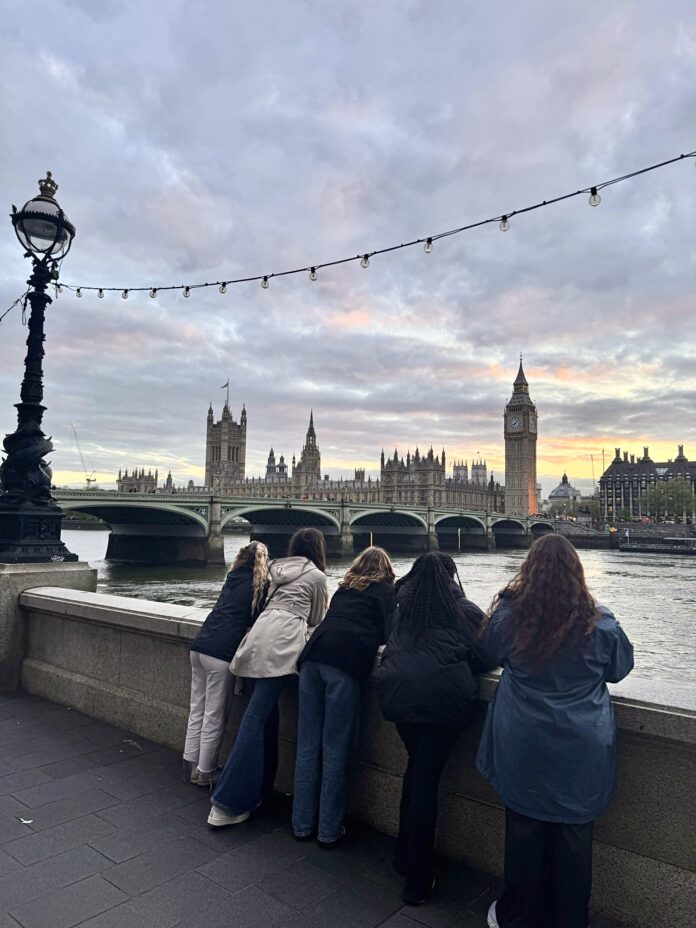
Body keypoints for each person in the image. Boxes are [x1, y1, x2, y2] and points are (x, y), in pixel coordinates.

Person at [474, 533, 634, 928]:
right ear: (576, 573)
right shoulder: (602, 622)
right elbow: (619, 669)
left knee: (523, 834)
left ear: (529, 570)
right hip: (581, 747)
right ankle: (570, 918)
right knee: (575, 841)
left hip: (524, 740)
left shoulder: (510, 616)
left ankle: (516, 916)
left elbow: (488, 654)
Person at [377, 552, 486, 906]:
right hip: (442, 702)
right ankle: (419, 880)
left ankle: (402, 856)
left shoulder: (402, 607)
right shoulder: (463, 609)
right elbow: (487, 652)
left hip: (399, 697)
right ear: (452, 578)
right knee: (425, 781)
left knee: (417, 771)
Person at [208, 527, 328, 827]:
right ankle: (226, 803)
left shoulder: (275, 568)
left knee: (264, 721)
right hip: (282, 645)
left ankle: (258, 789)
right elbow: (316, 619)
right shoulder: (316, 576)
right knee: (254, 720)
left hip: (258, 638)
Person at [292, 546, 396, 847]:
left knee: (307, 744)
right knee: (335, 747)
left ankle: (301, 823)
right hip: (344, 664)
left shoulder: (344, 588)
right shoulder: (385, 592)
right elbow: (389, 634)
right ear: (386, 570)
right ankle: (328, 830)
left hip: (312, 659)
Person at [182, 541, 269, 787]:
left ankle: (189, 763)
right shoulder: (259, 585)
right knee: (214, 715)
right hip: (221, 653)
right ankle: (206, 772)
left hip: (200, 646)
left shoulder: (231, 578)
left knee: (196, 708)